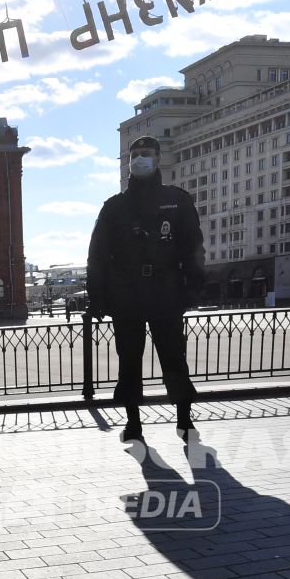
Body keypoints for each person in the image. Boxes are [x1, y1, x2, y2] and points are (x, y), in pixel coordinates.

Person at [86, 135, 204, 443]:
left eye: (146, 154)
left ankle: (184, 419)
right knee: (129, 359)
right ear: (128, 162)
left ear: (157, 158)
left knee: (174, 357)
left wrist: (195, 288)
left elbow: (193, 247)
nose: (140, 159)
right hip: (127, 295)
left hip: (166, 292)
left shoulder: (177, 200)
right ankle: (133, 423)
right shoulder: (114, 207)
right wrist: (97, 297)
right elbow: (97, 254)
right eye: (135, 154)